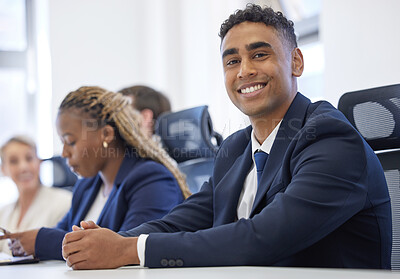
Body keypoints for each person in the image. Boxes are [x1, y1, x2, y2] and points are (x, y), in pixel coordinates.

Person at [60, 4, 392, 270]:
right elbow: (187, 220)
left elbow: (265, 237)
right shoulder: (235, 148)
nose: (244, 70)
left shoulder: (331, 139)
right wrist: (109, 241)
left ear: (296, 62)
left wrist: (128, 249)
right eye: (232, 60)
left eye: (259, 54)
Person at [0, 86, 190, 260]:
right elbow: (62, 234)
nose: (64, 153)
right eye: (63, 143)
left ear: (106, 134)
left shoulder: (152, 179)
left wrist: (41, 241)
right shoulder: (87, 185)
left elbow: (126, 246)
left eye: (71, 142)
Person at [0, 135, 72, 255]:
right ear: (3, 169)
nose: (23, 167)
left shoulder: (65, 203)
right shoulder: (3, 212)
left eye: (29, 158)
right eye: (14, 161)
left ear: (39, 162)